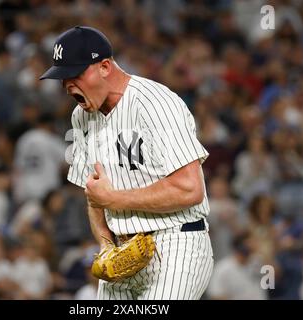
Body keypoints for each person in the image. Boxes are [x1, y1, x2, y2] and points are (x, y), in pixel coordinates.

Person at [40, 26, 213, 300]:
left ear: (105, 67)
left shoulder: (156, 104)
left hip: (176, 244)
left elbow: (190, 189)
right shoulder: (81, 117)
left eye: (75, 74)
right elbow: (94, 195)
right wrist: (106, 244)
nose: (67, 85)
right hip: (123, 251)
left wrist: (115, 200)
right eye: (62, 78)